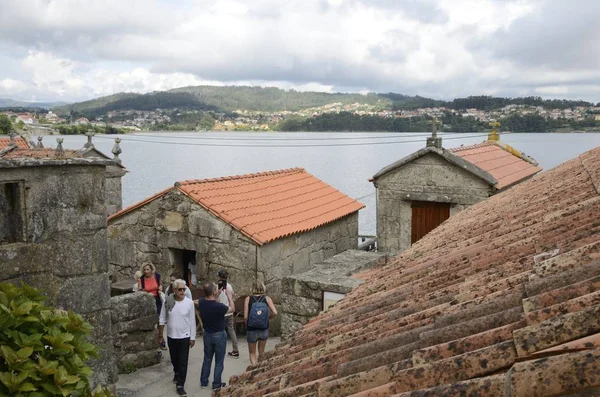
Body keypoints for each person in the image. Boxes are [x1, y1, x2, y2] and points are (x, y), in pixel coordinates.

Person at [157, 279, 196, 397]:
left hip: (184, 336)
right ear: (174, 290)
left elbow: (192, 321)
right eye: (180, 289)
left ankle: (180, 384)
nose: (183, 291)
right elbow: (162, 317)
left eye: (184, 289)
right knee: (174, 359)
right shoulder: (168, 301)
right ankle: (177, 372)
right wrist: (160, 335)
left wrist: (192, 337)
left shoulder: (189, 303)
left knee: (183, 361)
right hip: (171, 335)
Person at [197, 281, 234, 390]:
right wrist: (229, 296)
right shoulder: (219, 307)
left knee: (207, 358)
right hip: (219, 335)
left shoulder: (201, 302)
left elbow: (197, 301)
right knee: (219, 361)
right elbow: (232, 309)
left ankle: (203, 382)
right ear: (213, 292)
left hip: (207, 334)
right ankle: (216, 384)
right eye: (216, 289)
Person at [244, 280, 277, 365]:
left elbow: (245, 317)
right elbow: (275, 312)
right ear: (263, 287)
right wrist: (268, 318)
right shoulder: (267, 298)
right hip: (263, 328)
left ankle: (254, 369)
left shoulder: (248, 299)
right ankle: (261, 370)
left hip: (251, 329)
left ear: (252, 288)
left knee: (252, 353)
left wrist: (247, 325)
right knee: (262, 352)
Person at [216, 268, 239, 358]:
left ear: (219, 277)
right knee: (231, 330)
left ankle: (219, 349)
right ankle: (235, 350)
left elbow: (215, 298)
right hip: (229, 311)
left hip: (220, 311)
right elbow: (231, 295)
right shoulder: (229, 286)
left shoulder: (216, 287)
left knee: (219, 331)